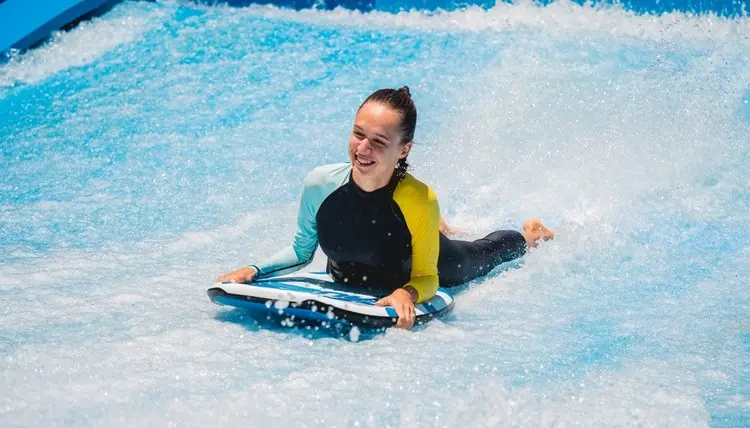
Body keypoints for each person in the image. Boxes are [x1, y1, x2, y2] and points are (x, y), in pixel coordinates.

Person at [217, 87, 554, 329]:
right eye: (358, 134)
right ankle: (434, 226)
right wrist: (254, 270)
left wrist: (408, 293)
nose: (362, 148)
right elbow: (301, 251)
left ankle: (530, 235)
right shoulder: (320, 184)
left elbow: (428, 278)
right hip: (352, 272)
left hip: (428, 266)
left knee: (480, 255)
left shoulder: (419, 198)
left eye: (378, 141)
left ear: (404, 149)